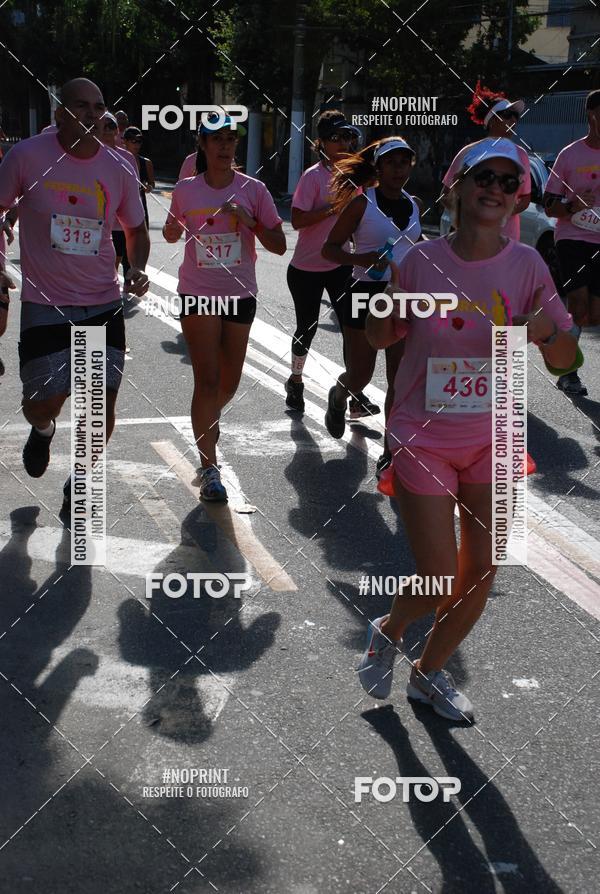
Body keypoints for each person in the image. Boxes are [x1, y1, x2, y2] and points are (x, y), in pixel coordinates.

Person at [357, 138, 580, 721]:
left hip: (495, 437)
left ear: (519, 199)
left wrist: (546, 334)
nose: (496, 189)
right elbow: (378, 337)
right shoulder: (419, 261)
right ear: (456, 187)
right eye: (485, 177)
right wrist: (388, 303)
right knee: (437, 577)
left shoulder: (528, 266)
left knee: (481, 572)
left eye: (510, 182)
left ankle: (427, 676)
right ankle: (390, 629)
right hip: (423, 435)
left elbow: (567, 359)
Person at [0, 78, 149, 514]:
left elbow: (136, 229)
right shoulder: (26, 156)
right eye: (81, 106)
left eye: (99, 106)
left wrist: (136, 267)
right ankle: (43, 429)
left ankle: (80, 479)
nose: (92, 115)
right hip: (45, 303)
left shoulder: (120, 165)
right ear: (60, 115)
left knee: (98, 404)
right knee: (42, 402)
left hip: (102, 301)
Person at [163, 113, 285, 502]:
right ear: (202, 144)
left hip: (239, 293)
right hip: (198, 292)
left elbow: (279, 245)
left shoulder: (254, 189)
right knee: (207, 380)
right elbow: (171, 231)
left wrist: (249, 221)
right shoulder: (186, 190)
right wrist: (171, 230)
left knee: (229, 383)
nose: (225, 146)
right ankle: (209, 468)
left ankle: (206, 422)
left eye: (231, 139)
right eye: (217, 139)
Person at [322, 137, 423, 458]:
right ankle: (339, 396)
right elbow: (329, 249)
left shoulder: (414, 204)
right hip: (364, 293)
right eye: (391, 162)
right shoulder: (362, 203)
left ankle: (390, 452)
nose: (398, 169)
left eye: (404, 162)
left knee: (399, 378)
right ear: (378, 167)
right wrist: (360, 259)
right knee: (360, 375)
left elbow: (413, 245)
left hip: (402, 295)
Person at [285, 110, 360, 414]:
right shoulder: (313, 176)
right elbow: (297, 219)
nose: (343, 143)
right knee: (307, 327)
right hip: (306, 269)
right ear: (322, 143)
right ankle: (295, 380)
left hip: (341, 265)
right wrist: (332, 209)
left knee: (351, 328)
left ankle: (354, 392)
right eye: (336, 137)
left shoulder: (354, 177)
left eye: (347, 136)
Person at [543, 88, 600, 397]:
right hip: (572, 238)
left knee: (593, 315)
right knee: (578, 306)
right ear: (592, 115)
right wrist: (573, 205)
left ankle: (557, 337)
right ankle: (568, 373)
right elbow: (548, 204)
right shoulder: (570, 154)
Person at [441, 82, 531, 241]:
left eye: (515, 116)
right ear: (492, 120)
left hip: (507, 240)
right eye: (507, 115)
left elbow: (525, 199)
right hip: (471, 239)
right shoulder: (469, 152)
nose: (513, 120)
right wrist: (471, 217)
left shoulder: (521, 154)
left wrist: (498, 214)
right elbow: (445, 195)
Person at [101, 112, 138, 278]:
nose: (108, 130)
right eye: (104, 126)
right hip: (97, 222)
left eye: (112, 126)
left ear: (117, 130)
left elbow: (134, 189)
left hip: (120, 223)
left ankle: (120, 288)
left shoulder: (127, 157)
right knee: (105, 262)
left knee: (119, 260)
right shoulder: (88, 155)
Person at [123, 126, 155, 228]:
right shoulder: (117, 160)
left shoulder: (146, 163)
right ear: (125, 141)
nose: (137, 144)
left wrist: (149, 187)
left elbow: (152, 183)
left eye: (139, 141)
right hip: (121, 207)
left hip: (140, 206)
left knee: (141, 236)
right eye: (133, 141)